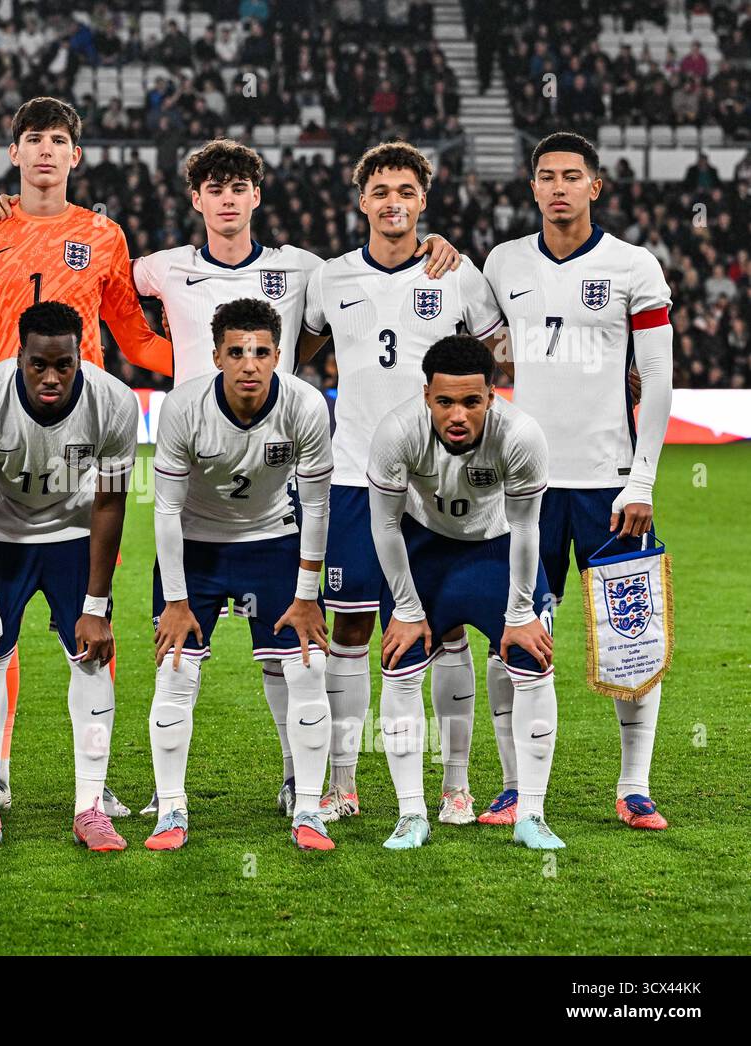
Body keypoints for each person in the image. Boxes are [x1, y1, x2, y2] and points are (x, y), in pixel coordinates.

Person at [130, 136, 460, 817]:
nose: (226, 199)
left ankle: (302, 779)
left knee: (292, 643)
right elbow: (107, 289)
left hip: (280, 476)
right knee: (195, 649)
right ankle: (175, 798)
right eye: (213, 188)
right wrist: (152, 355)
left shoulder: (306, 269)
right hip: (195, 469)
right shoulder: (161, 267)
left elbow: (324, 327)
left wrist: (437, 245)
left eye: (238, 187)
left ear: (256, 196)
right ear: (195, 200)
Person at [0, 96, 172, 819]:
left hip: (85, 441)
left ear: (76, 155)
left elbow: (135, 337)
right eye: (35, 139)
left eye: (59, 139)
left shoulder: (105, 235)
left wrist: (209, 359)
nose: (47, 151)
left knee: (91, 611)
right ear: (15, 153)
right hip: (2, 431)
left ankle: (96, 783)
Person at [302, 140, 505, 827]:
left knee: (444, 633)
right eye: (381, 191)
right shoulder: (329, 278)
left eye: (407, 192)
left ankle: (454, 786)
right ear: (362, 201)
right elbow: (298, 355)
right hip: (357, 477)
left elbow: (499, 357)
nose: (394, 203)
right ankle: (343, 783)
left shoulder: (459, 274)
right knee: (352, 628)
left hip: (439, 484)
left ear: (424, 201)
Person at [482, 131, 673, 831]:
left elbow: (656, 376)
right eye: (545, 176)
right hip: (523, 485)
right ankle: (511, 785)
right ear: (531, 187)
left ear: (596, 186)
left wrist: (642, 478)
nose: (558, 186)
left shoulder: (633, 265)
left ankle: (634, 786)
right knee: (516, 631)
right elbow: (462, 340)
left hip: (610, 485)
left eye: (572, 176)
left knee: (632, 636)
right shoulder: (502, 264)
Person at [145, 298, 335, 852]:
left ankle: (307, 805)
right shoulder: (183, 408)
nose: (249, 364)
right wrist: (175, 601)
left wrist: (305, 595)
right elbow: (164, 511)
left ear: (278, 355)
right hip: (196, 549)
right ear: (216, 356)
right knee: (176, 672)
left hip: (273, 544)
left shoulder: (304, 404)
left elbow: (317, 508)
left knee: (306, 667)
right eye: (236, 352)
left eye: (260, 352)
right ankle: (172, 808)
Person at [0, 301, 138, 851]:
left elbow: (110, 504)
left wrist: (97, 607)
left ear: (80, 356)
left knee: (92, 659)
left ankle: (90, 807)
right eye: (38, 365)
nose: (51, 377)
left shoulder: (115, 401)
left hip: (73, 534)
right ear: (19, 357)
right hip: (2, 536)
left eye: (64, 365)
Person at [367, 335, 563, 850]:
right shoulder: (395, 431)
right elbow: (384, 527)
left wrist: (520, 613)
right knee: (400, 662)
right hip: (424, 550)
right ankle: (411, 814)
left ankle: (532, 814)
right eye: (445, 401)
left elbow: (527, 530)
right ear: (427, 394)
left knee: (533, 663)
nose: (458, 414)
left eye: (472, 402)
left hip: (496, 551)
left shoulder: (521, 435)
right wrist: (407, 609)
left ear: (491, 398)